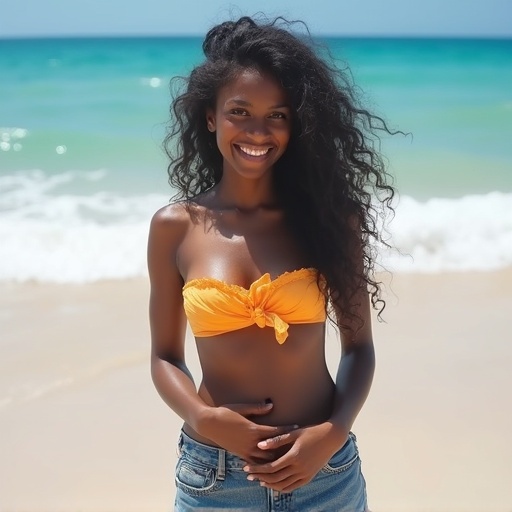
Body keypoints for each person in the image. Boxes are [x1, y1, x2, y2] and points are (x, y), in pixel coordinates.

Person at [148, 15, 395, 511]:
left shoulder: (328, 219)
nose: (258, 131)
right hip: (215, 476)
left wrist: (333, 431)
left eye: (277, 115)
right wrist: (202, 417)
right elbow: (164, 358)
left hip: (325, 474)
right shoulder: (176, 225)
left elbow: (359, 347)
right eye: (239, 111)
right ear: (211, 117)